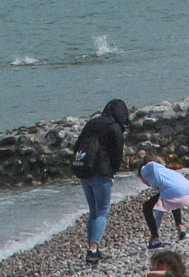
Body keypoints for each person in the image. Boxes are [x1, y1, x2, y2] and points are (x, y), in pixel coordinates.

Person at [71, 99, 129, 265]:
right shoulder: (114, 127)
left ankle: (92, 249)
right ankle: (93, 249)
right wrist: (113, 171)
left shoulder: (92, 123)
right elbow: (117, 153)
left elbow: (77, 145)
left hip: (84, 170)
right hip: (101, 173)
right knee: (102, 211)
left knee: (93, 211)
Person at [137, 161, 189, 249]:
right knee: (172, 199)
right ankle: (181, 228)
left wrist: (154, 234)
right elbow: (161, 208)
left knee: (146, 206)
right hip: (188, 187)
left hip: (175, 190)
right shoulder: (163, 172)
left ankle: (155, 239)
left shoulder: (144, 171)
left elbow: (152, 164)